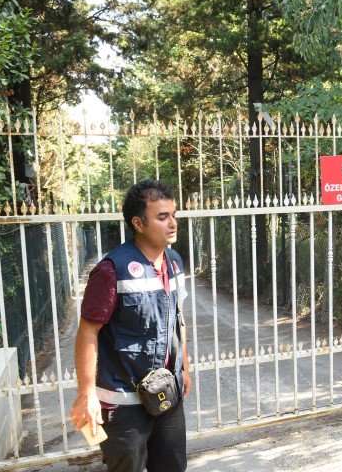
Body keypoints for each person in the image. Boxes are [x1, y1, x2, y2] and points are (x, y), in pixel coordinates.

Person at [70, 179, 192, 471]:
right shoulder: (112, 270)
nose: (172, 223)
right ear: (138, 223)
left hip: (167, 392)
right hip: (123, 401)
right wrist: (86, 394)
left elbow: (178, 319)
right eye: (162, 217)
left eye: (173, 215)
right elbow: (88, 332)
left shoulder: (174, 262)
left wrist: (184, 369)